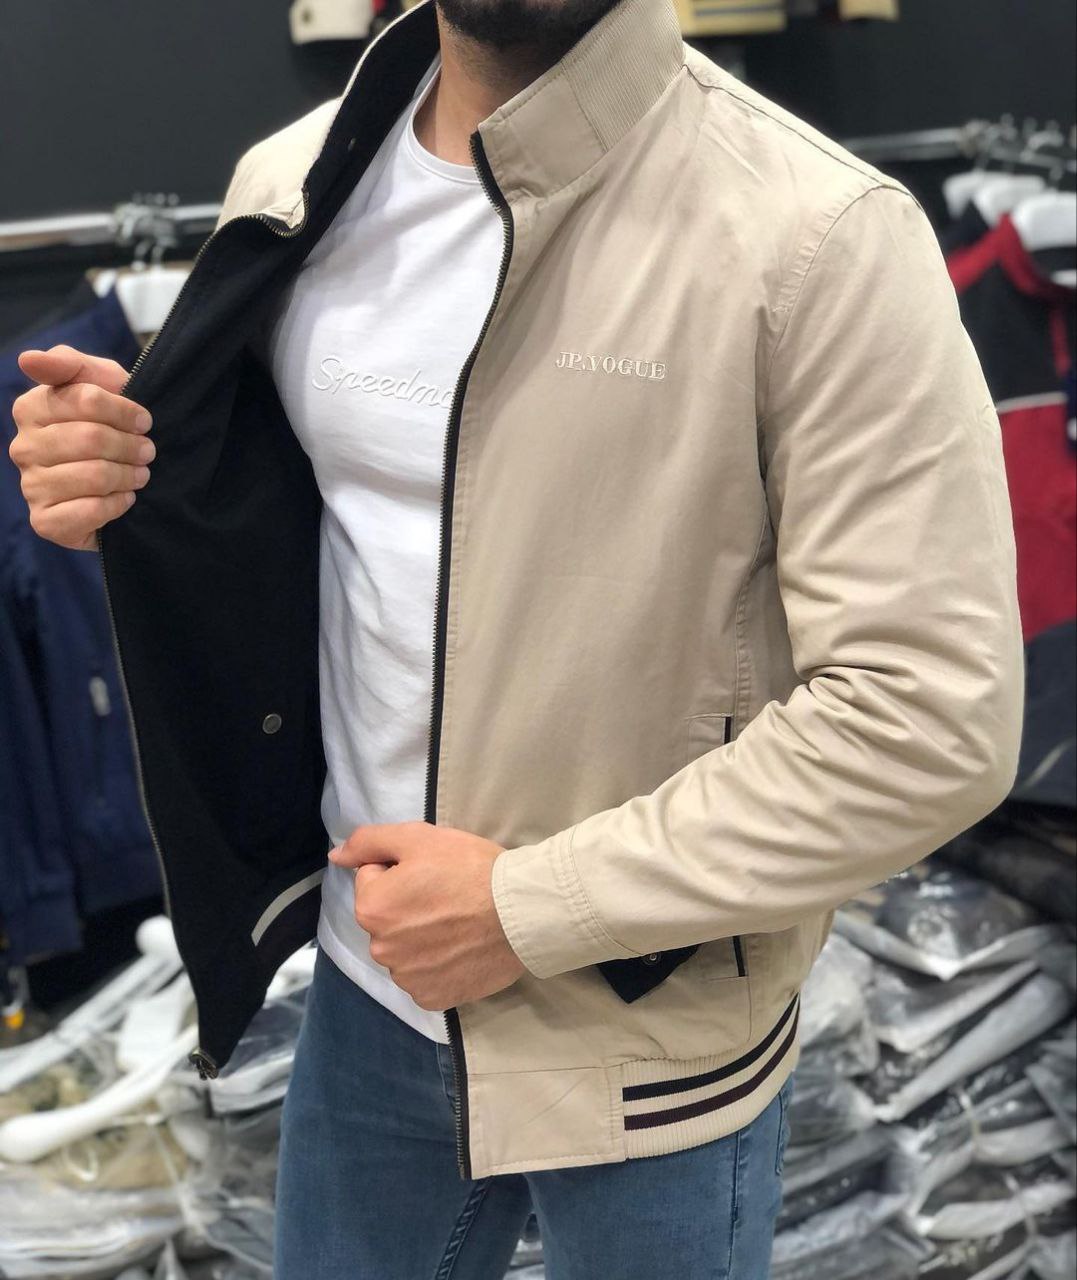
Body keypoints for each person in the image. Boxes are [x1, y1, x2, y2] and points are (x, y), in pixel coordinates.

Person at [7, 0, 1024, 1275]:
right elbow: (306, 531)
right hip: (370, 979)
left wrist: (522, 906)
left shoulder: (817, 234)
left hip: (642, 1033)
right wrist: (121, 480)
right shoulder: (293, 184)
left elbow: (931, 718)